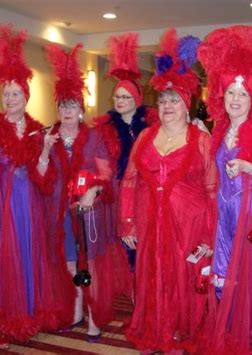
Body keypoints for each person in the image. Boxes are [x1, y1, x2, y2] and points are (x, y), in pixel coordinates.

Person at [0, 24, 73, 348]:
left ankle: (28, 316)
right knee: (3, 259)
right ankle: (2, 323)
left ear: (26, 96)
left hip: (30, 205)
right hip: (4, 202)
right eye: (6, 94)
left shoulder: (38, 131)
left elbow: (42, 177)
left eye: (16, 94)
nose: (10, 99)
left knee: (30, 256)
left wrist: (48, 151)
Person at [119, 29, 217, 353]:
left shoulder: (200, 140)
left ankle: (178, 333)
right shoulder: (145, 137)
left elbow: (211, 189)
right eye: (163, 100)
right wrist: (127, 222)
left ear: (187, 104)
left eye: (175, 100)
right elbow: (130, 180)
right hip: (149, 223)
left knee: (181, 278)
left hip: (188, 226)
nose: (168, 105)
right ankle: (153, 328)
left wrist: (208, 236)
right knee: (151, 274)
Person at [197, 25, 252, 354]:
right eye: (231, 93)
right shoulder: (220, 128)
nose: (235, 100)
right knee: (222, 276)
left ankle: (249, 341)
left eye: (242, 94)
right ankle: (229, 334)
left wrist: (249, 167)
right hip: (224, 214)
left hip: (250, 215)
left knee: (247, 280)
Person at [44, 43, 131, 342]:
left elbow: (108, 174)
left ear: (81, 110)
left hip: (88, 213)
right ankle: (77, 310)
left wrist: (93, 190)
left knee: (89, 263)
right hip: (59, 212)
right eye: (62, 106)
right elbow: (41, 176)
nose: (67, 111)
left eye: (73, 106)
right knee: (69, 263)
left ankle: (94, 317)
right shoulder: (50, 138)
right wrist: (43, 149)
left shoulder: (94, 137)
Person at [92, 33, 158, 272]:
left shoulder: (153, 126)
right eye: (117, 96)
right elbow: (100, 165)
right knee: (120, 248)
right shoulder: (104, 129)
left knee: (145, 247)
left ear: (137, 100)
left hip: (147, 192)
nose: (119, 100)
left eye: (125, 97)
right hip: (118, 192)